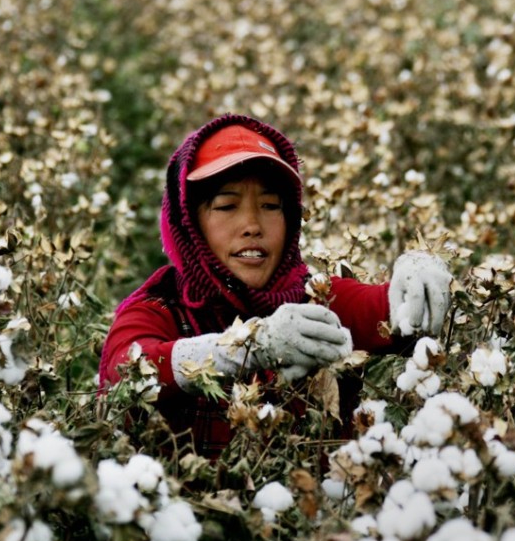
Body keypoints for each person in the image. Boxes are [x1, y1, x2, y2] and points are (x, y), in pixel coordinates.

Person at [98, 114, 452, 456]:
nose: (252, 224)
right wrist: (251, 346)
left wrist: (417, 275)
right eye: (226, 206)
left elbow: (382, 310)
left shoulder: (315, 299)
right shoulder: (160, 310)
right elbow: (126, 373)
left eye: (270, 205)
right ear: (189, 222)